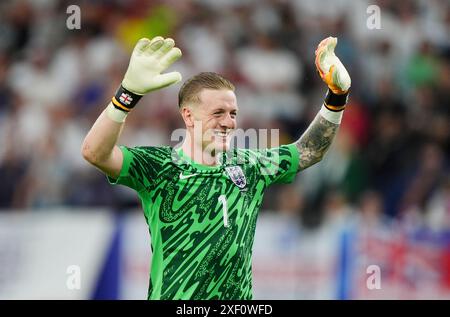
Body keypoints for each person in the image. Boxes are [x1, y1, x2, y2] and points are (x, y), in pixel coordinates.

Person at [81, 35, 351, 299]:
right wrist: (127, 95)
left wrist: (337, 97)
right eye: (217, 113)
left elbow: (309, 150)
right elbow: (95, 152)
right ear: (188, 115)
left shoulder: (249, 166)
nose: (228, 122)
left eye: (232, 113)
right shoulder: (159, 167)